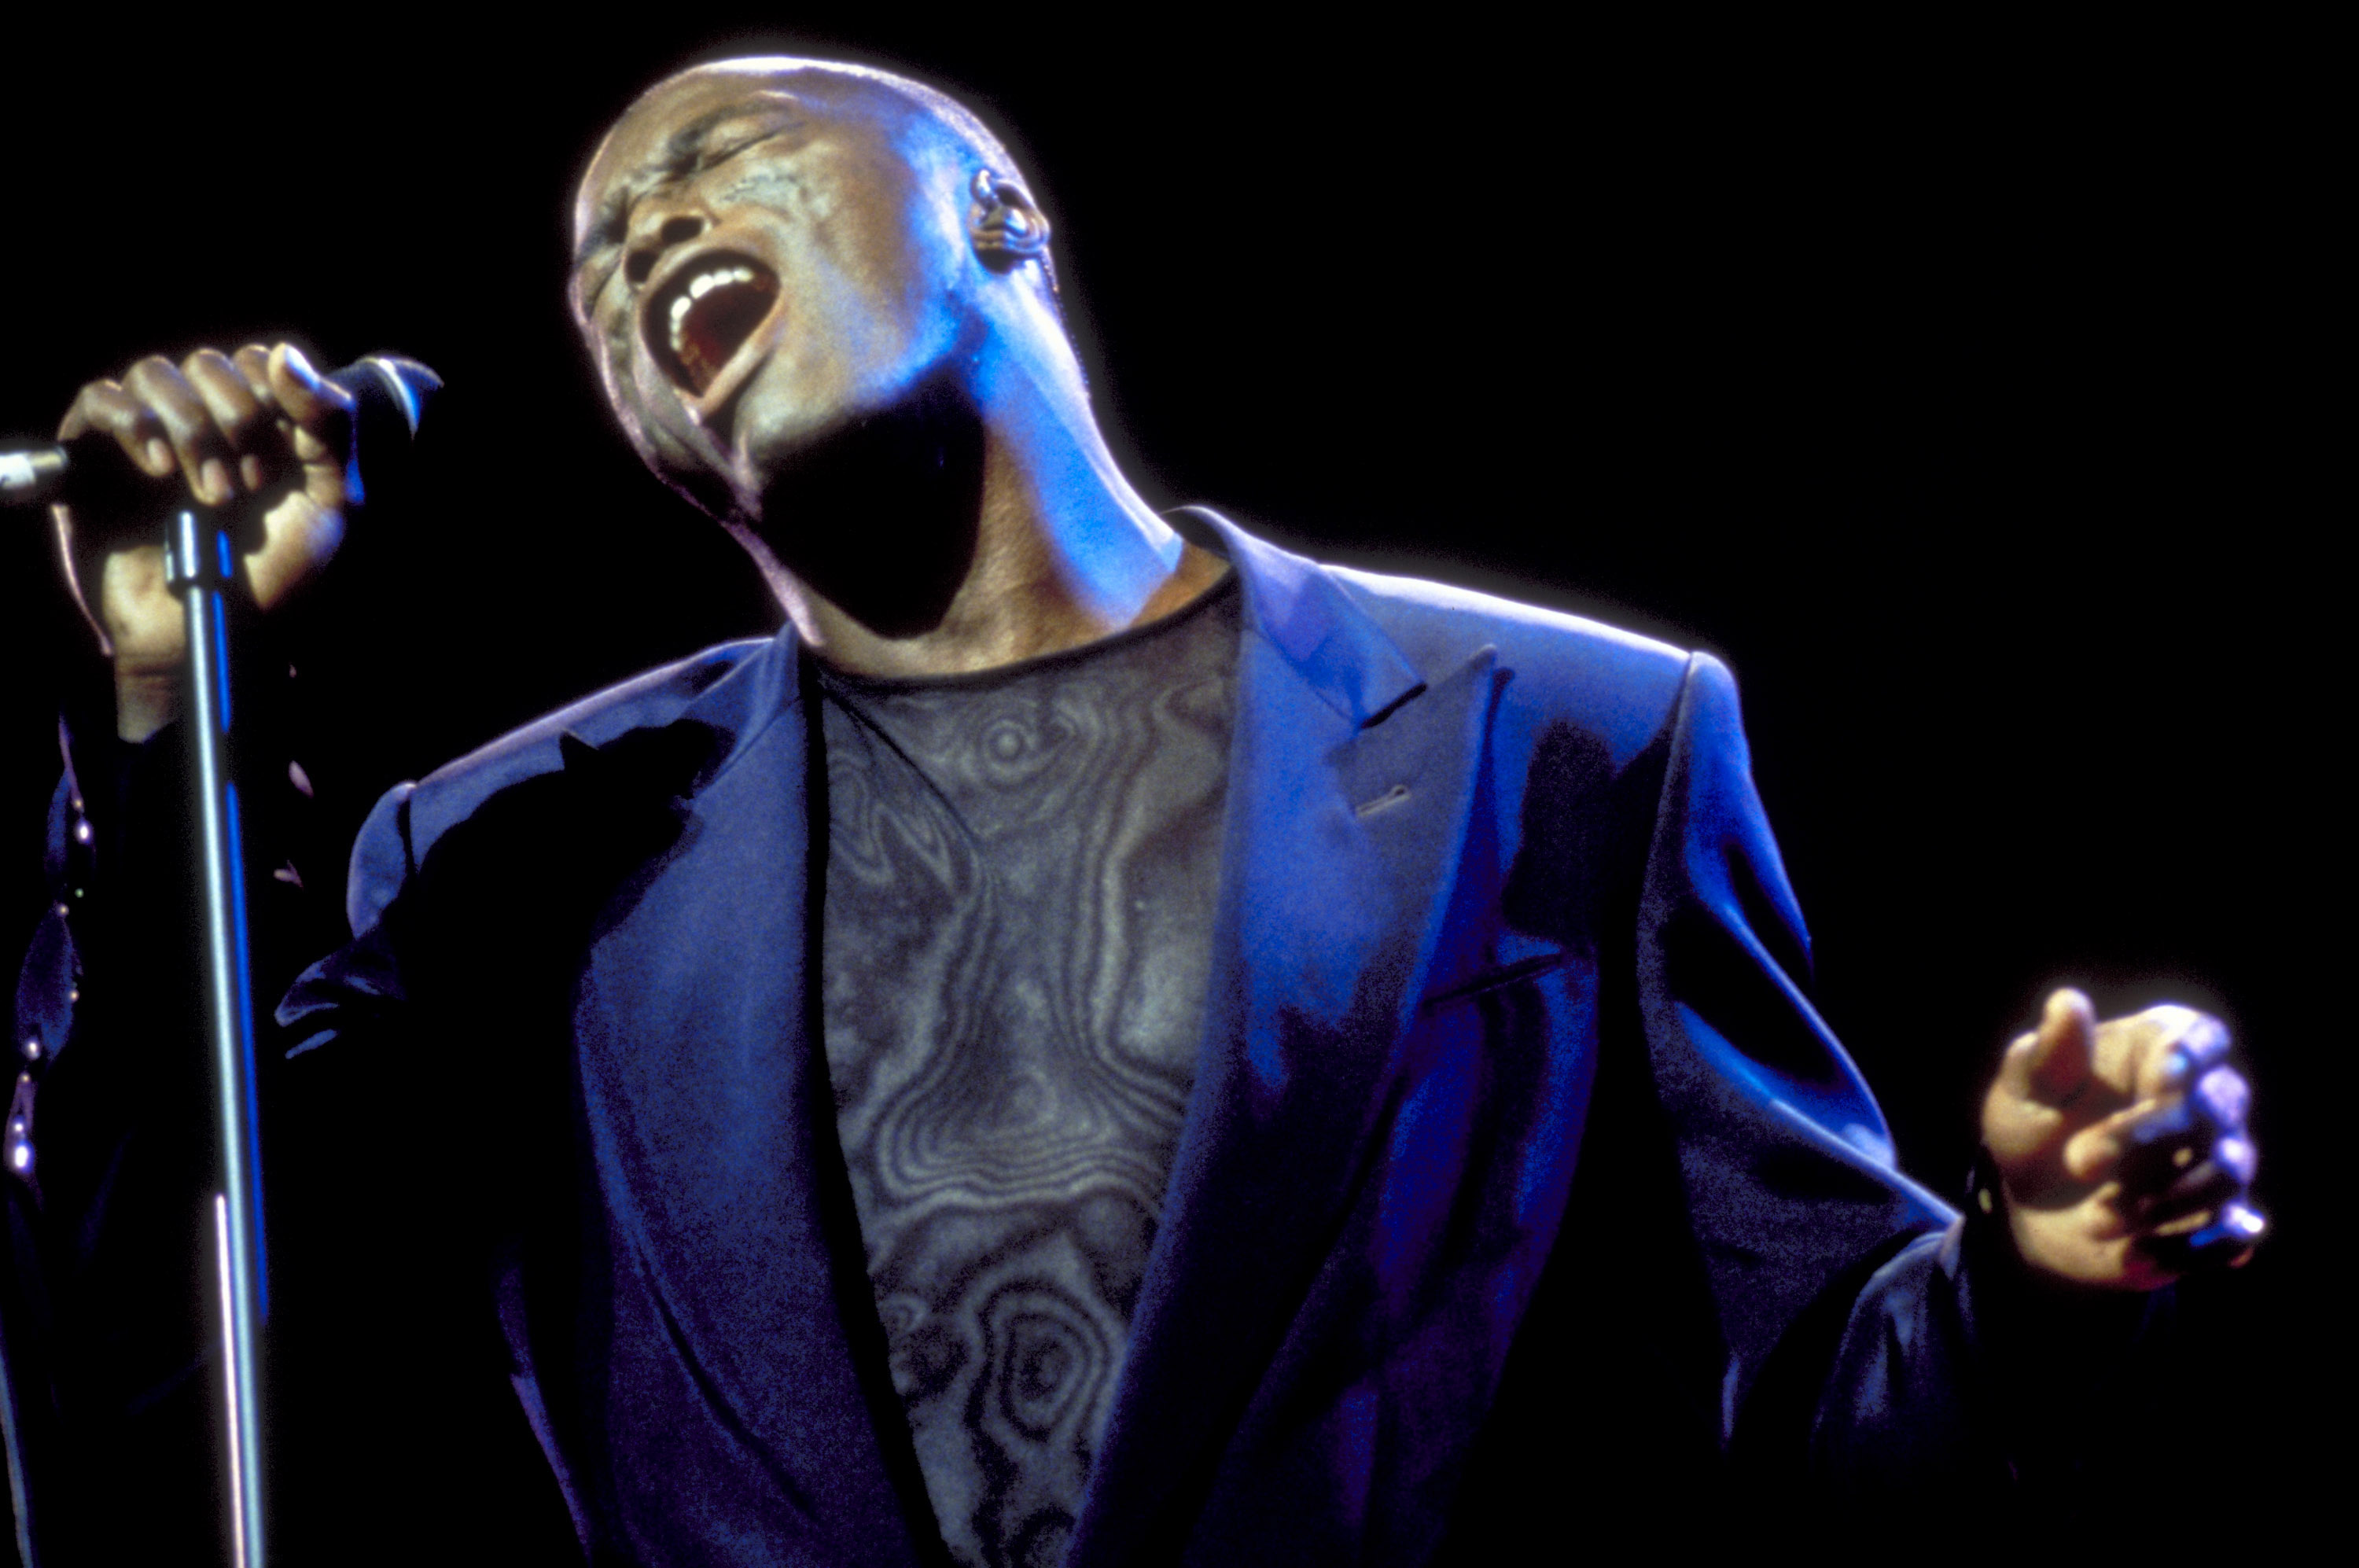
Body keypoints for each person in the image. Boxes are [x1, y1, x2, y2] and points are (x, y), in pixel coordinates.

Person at [7, 55, 2263, 1567]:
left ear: (992, 208)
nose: (636, 244)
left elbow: (1823, 1403)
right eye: (596, 262)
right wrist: (161, 707)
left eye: (722, 164)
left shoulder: (1561, 735)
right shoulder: (523, 858)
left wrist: (2039, 1283)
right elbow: (161, 1395)